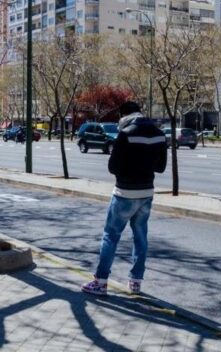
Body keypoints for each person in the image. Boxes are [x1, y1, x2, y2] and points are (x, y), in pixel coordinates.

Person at [81, 101, 167, 296]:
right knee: (140, 237)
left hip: (124, 192)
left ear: (124, 115)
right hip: (146, 192)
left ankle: (101, 281)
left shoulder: (126, 133)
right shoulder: (159, 134)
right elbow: (160, 167)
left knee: (110, 236)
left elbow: (113, 167)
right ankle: (136, 281)